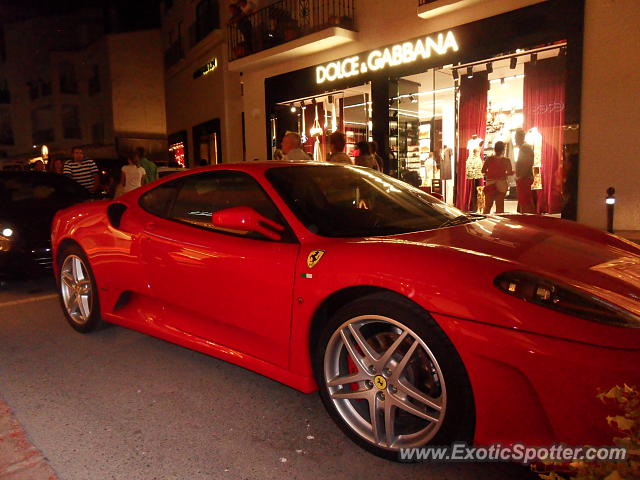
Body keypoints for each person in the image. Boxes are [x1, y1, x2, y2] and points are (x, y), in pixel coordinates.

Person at [482, 141, 513, 214]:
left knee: (488, 205)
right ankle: (499, 223)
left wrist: (490, 173)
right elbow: (509, 172)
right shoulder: (506, 160)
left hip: (490, 182)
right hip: (502, 182)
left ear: (494, 149)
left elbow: (483, 170)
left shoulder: (489, 159)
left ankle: (484, 221)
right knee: (500, 206)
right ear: (503, 149)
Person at [514, 128, 535, 213]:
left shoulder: (524, 147)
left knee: (525, 202)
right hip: (525, 177)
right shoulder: (525, 147)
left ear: (519, 137)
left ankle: (529, 220)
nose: (515, 140)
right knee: (525, 201)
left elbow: (527, 163)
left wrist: (520, 176)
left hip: (525, 178)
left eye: (516, 137)